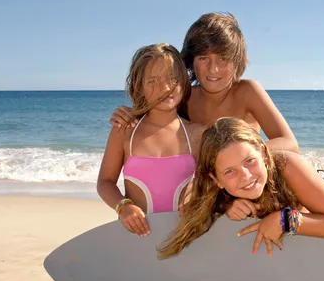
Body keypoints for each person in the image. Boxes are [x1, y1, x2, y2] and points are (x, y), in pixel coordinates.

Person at [109, 12, 300, 221]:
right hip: (216, 192)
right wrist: (131, 113)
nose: (213, 69)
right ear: (190, 63)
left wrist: (236, 160)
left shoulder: (248, 91)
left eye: (223, 58)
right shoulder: (187, 98)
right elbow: (160, 115)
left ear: (236, 61)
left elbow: (289, 143)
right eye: (203, 58)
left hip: (248, 185)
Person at [156, 117, 324, 260]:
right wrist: (224, 208)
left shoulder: (289, 166)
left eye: (250, 161)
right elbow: (186, 209)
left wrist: (284, 219)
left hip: (300, 254)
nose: (246, 176)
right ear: (216, 180)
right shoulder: (210, 185)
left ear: (264, 155)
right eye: (230, 172)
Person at [97, 43, 204, 238]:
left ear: (183, 82)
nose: (164, 88)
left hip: (186, 237)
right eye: (153, 81)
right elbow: (105, 181)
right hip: (138, 239)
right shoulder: (124, 131)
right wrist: (123, 206)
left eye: (172, 78)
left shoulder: (198, 134)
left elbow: (214, 182)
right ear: (140, 86)